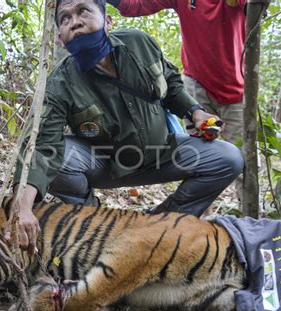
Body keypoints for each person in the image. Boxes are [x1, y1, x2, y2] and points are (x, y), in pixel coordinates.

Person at [10, 0, 244, 255]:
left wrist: (196, 113)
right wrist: (22, 208)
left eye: (83, 11)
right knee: (59, 158)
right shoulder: (60, 83)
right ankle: (96, 224)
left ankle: (162, 222)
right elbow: (42, 147)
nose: (74, 21)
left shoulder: (139, 44)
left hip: (161, 153)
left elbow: (171, 84)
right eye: (65, 19)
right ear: (60, 40)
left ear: (108, 22)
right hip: (107, 163)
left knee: (229, 158)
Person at [106, 0, 248, 203]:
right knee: (199, 156)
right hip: (196, 85)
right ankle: (195, 222)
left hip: (237, 91)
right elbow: (135, 5)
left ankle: (252, 219)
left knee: (246, 164)